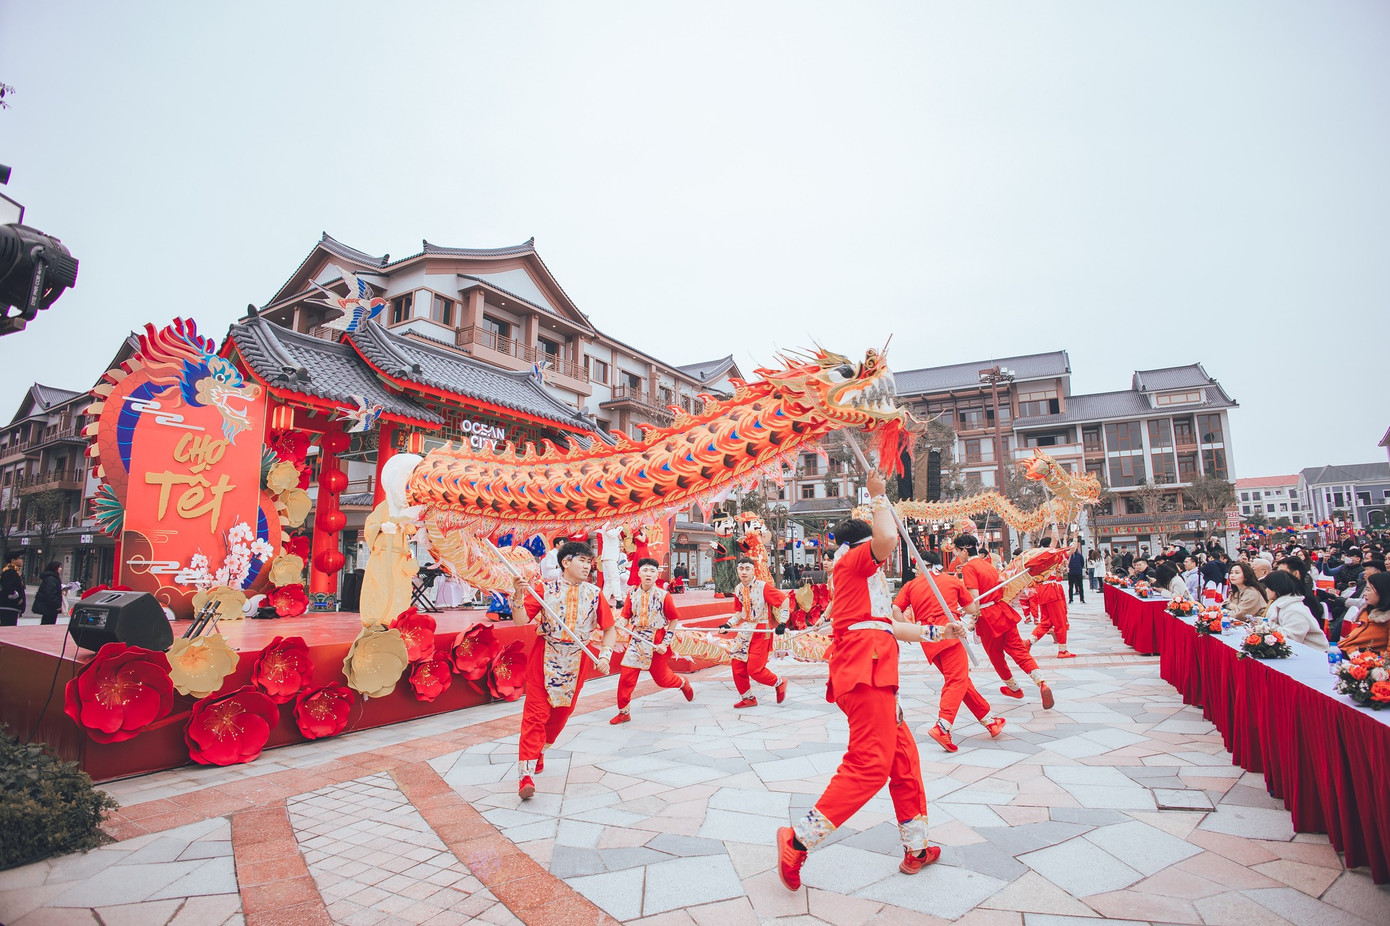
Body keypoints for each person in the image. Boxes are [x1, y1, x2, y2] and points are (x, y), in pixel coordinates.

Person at [777, 470, 963, 890]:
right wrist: (879, 497)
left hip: (875, 669)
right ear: (861, 544)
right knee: (870, 765)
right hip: (867, 673)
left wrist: (940, 633)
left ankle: (916, 847)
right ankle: (799, 840)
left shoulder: (864, 580)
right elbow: (886, 540)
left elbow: (890, 627)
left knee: (903, 762)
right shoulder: (853, 561)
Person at [512, 540, 617, 800]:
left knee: (559, 717)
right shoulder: (544, 590)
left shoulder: (594, 593)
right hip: (544, 657)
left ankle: (541, 750)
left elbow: (609, 628)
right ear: (565, 562)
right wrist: (517, 596)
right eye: (582, 560)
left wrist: (605, 654)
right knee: (535, 715)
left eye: (589, 562)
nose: (587, 566)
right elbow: (521, 620)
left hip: (575, 661)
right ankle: (525, 775)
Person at [892, 550, 1005, 752]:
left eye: (917, 565)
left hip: (928, 638)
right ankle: (942, 727)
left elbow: (896, 610)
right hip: (950, 634)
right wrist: (962, 603)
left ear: (924, 565)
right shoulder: (951, 581)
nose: (915, 569)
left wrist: (908, 629)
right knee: (957, 681)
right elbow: (972, 608)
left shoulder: (910, 586)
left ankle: (989, 721)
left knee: (961, 681)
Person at [957, 532, 1056, 709]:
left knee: (996, 656)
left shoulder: (968, 568)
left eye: (958, 551)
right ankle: (1041, 682)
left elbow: (974, 598)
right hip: (1002, 610)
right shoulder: (988, 565)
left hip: (987, 617)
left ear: (965, 550)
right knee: (1019, 651)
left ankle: (1015, 688)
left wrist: (969, 615)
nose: (957, 555)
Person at [611, 557, 694, 724]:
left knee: (662, 680)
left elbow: (673, 620)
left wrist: (665, 643)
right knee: (626, 677)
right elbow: (626, 616)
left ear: (657, 574)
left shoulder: (664, 596)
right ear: (639, 573)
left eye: (652, 571)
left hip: (657, 641)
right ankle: (624, 712)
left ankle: (682, 683)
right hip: (636, 640)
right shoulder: (632, 594)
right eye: (645, 570)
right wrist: (619, 624)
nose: (648, 574)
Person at [719, 556, 789, 708]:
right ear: (737, 570)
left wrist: (782, 622)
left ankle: (779, 681)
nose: (744, 572)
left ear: (753, 570)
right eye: (741, 569)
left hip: (761, 630)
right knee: (737, 665)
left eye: (747, 569)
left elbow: (784, 601)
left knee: (754, 670)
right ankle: (748, 698)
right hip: (745, 630)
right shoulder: (738, 589)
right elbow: (739, 612)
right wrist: (728, 624)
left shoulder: (763, 587)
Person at [1260, 571, 1329, 651]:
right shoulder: (1281, 605)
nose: (1266, 590)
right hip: (1297, 651)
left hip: (1313, 653)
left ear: (1276, 588)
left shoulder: (1294, 610)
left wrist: (1266, 626)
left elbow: (1290, 640)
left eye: (1268, 587)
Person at [1029, 540, 1075, 659]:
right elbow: (1058, 576)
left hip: (1043, 589)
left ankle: (1029, 642)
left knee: (1046, 621)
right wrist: (1053, 522)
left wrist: (1061, 566)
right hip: (1052, 590)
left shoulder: (1037, 558)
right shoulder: (1049, 556)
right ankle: (1062, 650)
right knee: (1060, 621)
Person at [1338, 572, 1390, 655]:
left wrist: (1361, 653)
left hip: (1364, 662)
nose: (1365, 594)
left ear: (1382, 592)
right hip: (1347, 653)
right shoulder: (1367, 612)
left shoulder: (1385, 619)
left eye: (1368, 590)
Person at [33, 561, 64, 625]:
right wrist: (57, 605)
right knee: (48, 623)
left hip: (49, 607)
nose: (61, 569)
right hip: (49, 607)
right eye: (59, 567)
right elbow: (50, 593)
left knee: (47, 622)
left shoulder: (53, 578)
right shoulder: (51, 579)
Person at [0, 553, 24, 627]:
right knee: (7, 628)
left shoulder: (15, 572)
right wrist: (18, 598)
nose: (22, 560)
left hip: (12, 607)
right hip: (8, 607)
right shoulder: (9, 572)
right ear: (13, 560)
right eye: (20, 558)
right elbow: (8, 589)